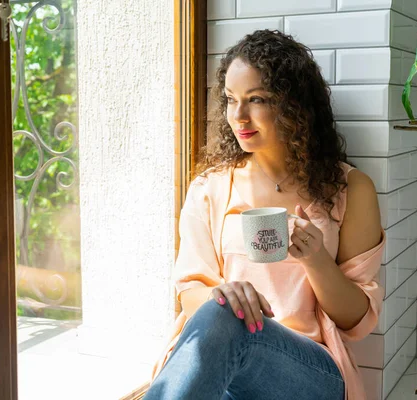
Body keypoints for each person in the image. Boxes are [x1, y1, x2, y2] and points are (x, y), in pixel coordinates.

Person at [144, 30, 385, 400]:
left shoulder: (350, 190)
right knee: (223, 312)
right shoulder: (210, 188)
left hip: (306, 370)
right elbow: (190, 292)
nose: (238, 116)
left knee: (229, 321)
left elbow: (356, 322)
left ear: (294, 105)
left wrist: (317, 260)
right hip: (227, 365)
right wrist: (220, 296)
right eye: (230, 100)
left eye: (256, 99)